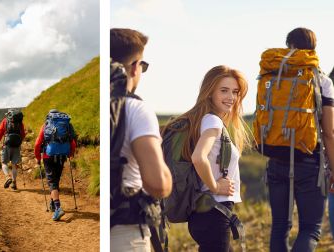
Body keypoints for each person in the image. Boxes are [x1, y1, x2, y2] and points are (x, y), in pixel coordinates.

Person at [255, 27, 334, 252]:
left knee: (279, 226)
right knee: (310, 228)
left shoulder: (271, 75)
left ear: (288, 46)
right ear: (313, 49)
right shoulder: (322, 80)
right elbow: (328, 132)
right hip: (310, 162)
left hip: (276, 160)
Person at [163, 65, 252, 251]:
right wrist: (215, 186)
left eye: (235, 92)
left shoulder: (203, 120)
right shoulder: (213, 121)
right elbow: (198, 157)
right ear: (210, 92)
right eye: (224, 91)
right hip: (214, 212)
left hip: (205, 212)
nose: (231, 97)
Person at [109, 28, 172, 251]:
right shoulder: (136, 109)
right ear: (135, 66)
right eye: (142, 66)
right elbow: (158, 184)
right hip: (125, 232)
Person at [34, 109, 77, 221]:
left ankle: (58, 208)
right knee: (56, 180)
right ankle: (53, 203)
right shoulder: (67, 124)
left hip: (48, 156)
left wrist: (38, 158)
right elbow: (72, 141)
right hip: (62, 155)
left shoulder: (46, 125)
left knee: (52, 182)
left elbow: (38, 143)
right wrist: (70, 154)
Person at [0, 109, 26, 190]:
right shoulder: (20, 123)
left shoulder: (5, 121)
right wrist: (19, 142)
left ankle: (7, 177)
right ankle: (14, 182)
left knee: (4, 163)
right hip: (16, 146)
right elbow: (23, 134)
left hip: (7, 145)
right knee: (14, 165)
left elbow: (1, 131)